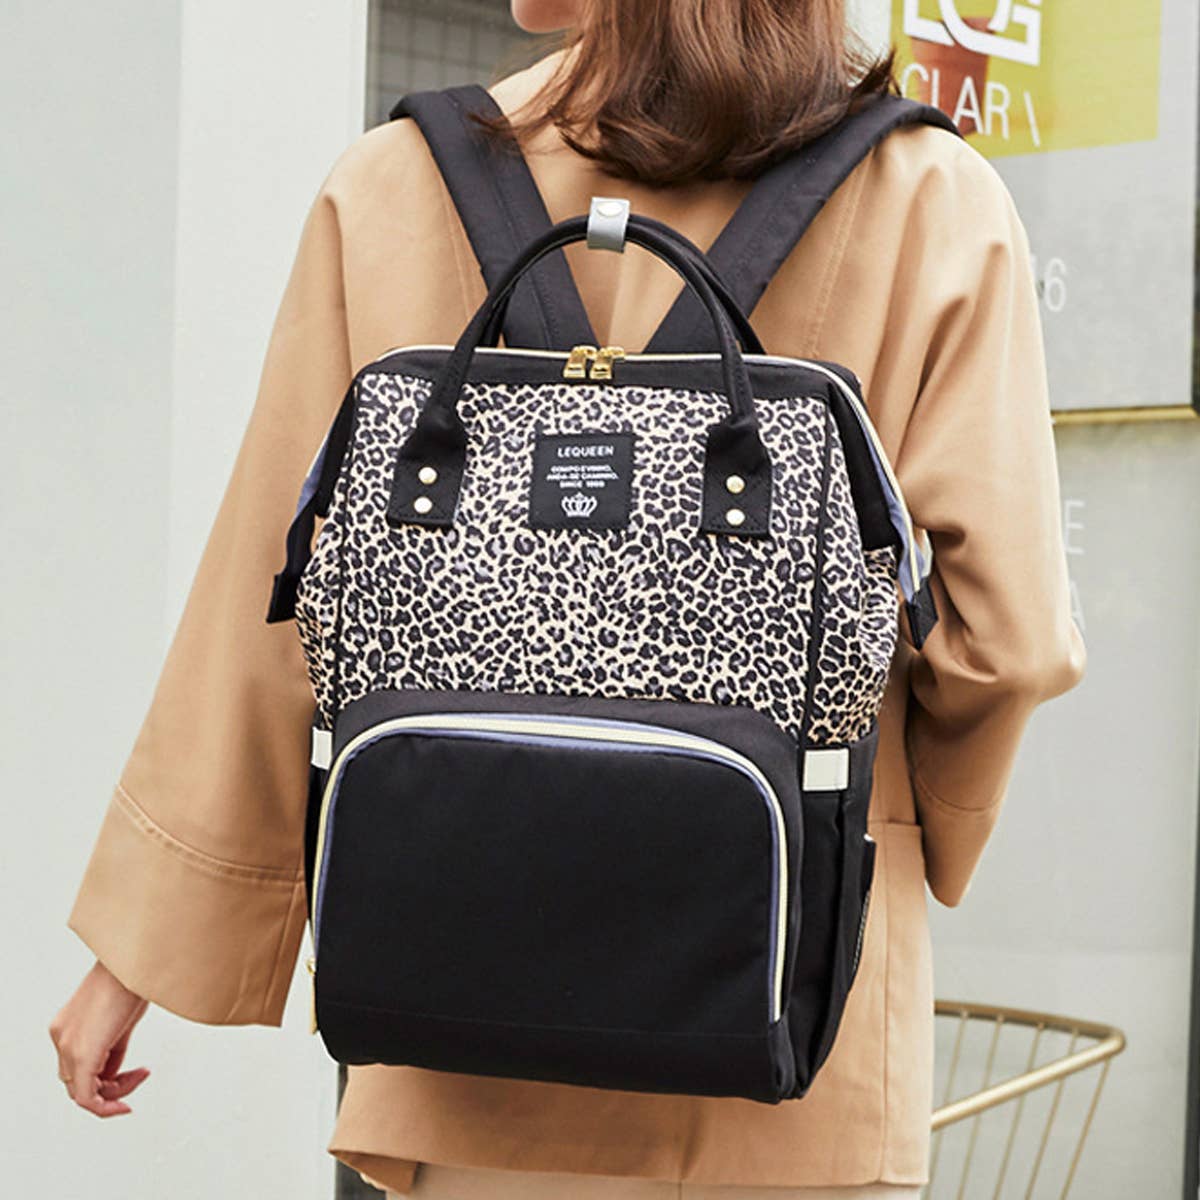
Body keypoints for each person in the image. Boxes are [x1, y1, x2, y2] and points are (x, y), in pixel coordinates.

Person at [49, 2, 1087, 1197]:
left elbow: (277, 605)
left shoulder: (396, 184)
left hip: (465, 1042)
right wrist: (898, 829)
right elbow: (1005, 643)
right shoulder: (932, 199)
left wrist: (144, 947)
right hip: (786, 1045)